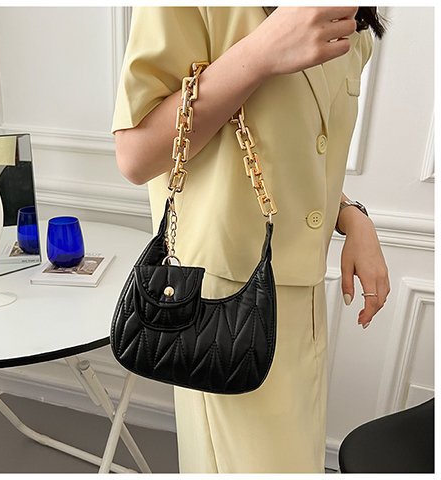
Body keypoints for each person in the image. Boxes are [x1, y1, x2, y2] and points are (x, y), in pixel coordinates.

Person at [111, 6, 390, 473]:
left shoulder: (349, 20)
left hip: (302, 306)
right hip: (221, 313)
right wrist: (261, 52)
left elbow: (295, 154)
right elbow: (136, 155)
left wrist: (351, 216)